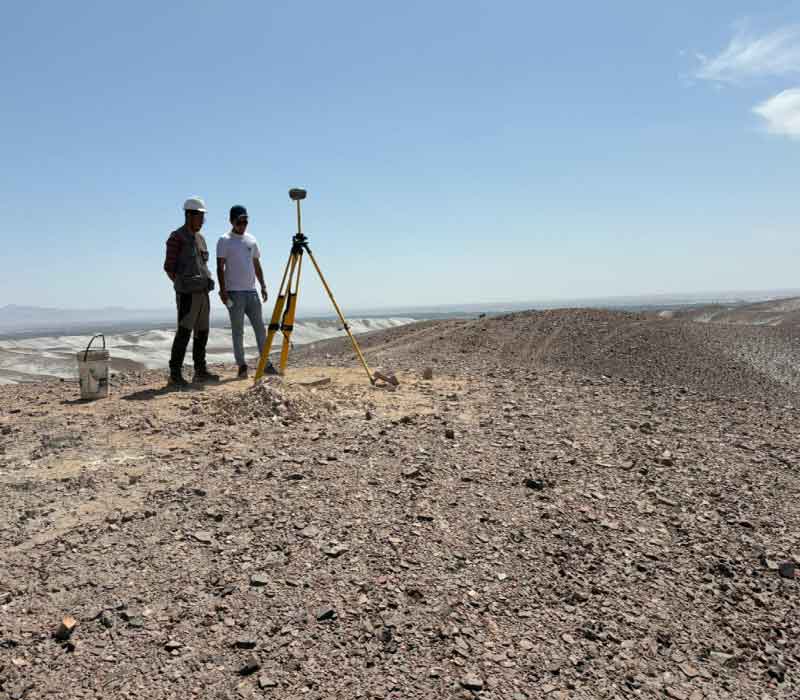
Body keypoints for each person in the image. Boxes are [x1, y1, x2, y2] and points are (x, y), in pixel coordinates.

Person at [163, 197, 219, 386]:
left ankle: (200, 371)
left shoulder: (201, 239)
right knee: (184, 333)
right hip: (187, 294)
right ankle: (175, 374)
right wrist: (182, 286)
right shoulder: (176, 237)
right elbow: (169, 268)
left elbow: (203, 265)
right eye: (200, 217)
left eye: (203, 217)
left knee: (202, 333)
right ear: (189, 215)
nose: (202, 221)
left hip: (203, 293)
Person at [216, 205, 275, 378]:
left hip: (252, 292)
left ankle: (266, 363)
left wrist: (263, 285)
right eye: (239, 221)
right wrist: (223, 291)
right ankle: (241, 365)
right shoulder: (224, 240)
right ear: (231, 221)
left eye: (245, 221)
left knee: (260, 329)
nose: (243, 224)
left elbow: (256, 264)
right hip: (234, 292)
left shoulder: (251, 240)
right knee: (238, 331)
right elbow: (220, 267)